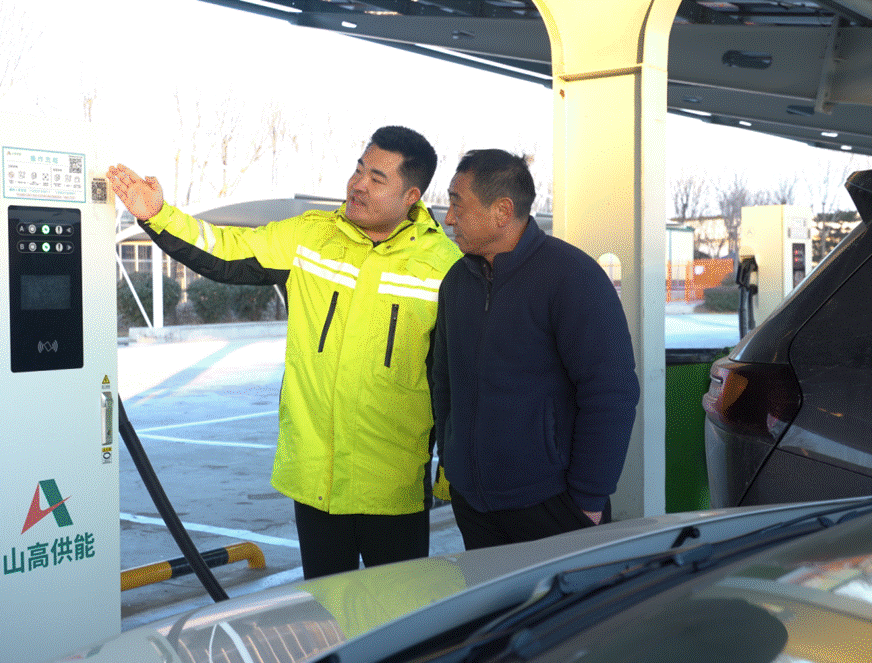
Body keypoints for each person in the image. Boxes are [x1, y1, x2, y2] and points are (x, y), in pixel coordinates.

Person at [107, 126, 462, 578]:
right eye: (358, 170)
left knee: (399, 610)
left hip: (392, 486)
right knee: (325, 605)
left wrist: (451, 473)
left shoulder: (444, 266)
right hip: (314, 480)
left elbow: (455, 381)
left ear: (411, 196)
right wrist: (158, 215)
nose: (358, 185)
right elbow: (226, 251)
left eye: (377, 179)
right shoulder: (310, 236)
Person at [432, 149, 640, 550]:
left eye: (458, 204)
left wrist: (589, 499)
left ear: (502, 210)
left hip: (553, 503)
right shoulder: (456, 281)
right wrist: (453, 456)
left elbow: (611, 393)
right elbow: (444, 380)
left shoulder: (572, 276)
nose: (449, 218)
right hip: (474, 505)